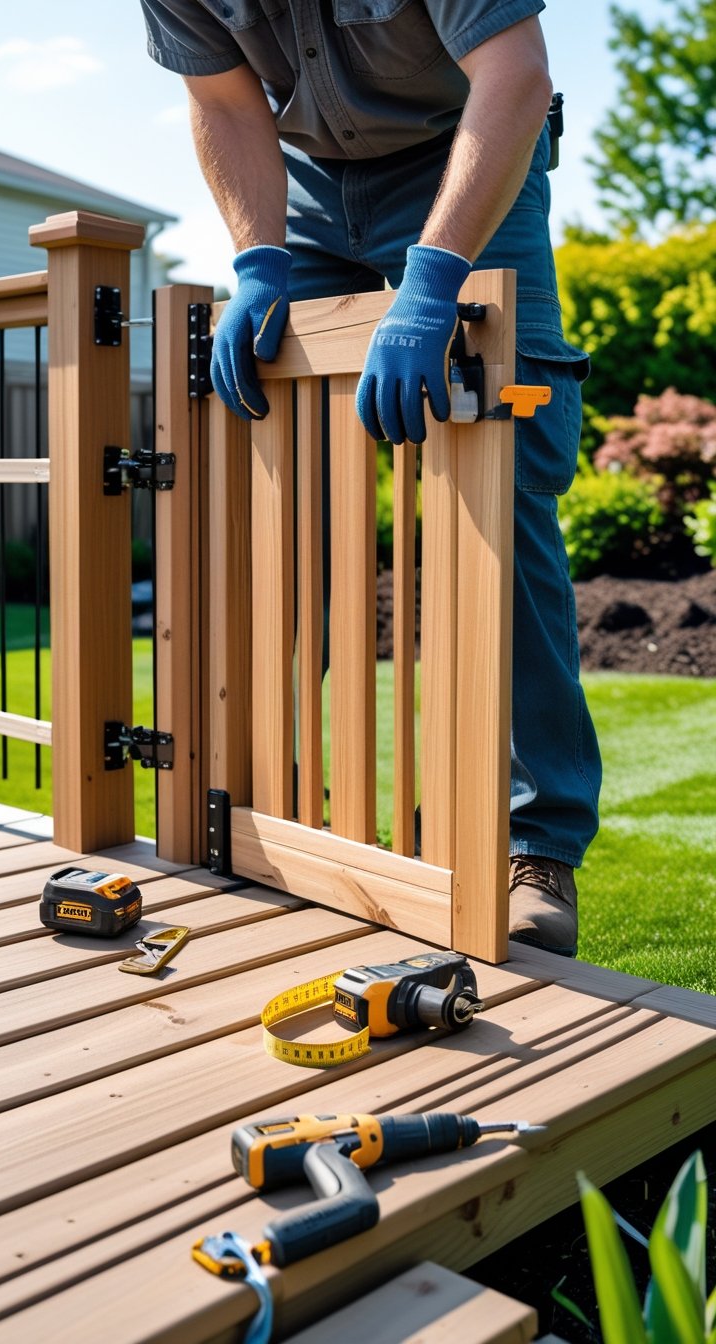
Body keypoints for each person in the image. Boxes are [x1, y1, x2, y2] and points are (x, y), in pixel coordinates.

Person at [139, 0, 602, 956]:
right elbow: (225, 101)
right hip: (304, 187)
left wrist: (434, 277)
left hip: (465, 151)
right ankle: (266, 807)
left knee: (503, 478)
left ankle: (534, 844)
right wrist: (259, 258)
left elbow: (515, 72)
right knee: (279, 493)